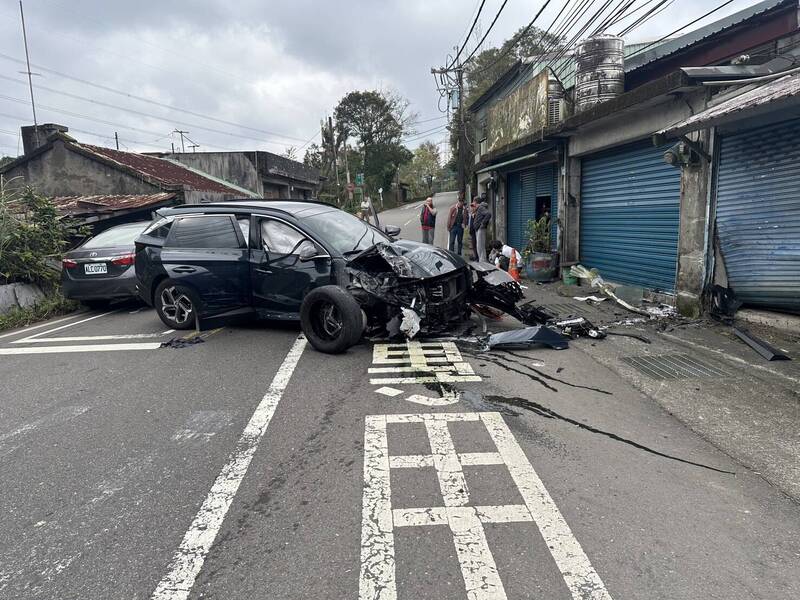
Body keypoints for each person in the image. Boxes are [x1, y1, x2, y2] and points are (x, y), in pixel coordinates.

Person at [473, 197, 492, 262]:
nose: (473, 203)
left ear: (476, 202)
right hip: (478, 229)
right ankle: (482, 260)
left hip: (480, 229)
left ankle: (482, 261)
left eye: (474, 202)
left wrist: (482, 224)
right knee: (479, 246)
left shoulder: (481, 208)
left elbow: (488, 214)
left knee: (480, 246)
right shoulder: (478, 208)